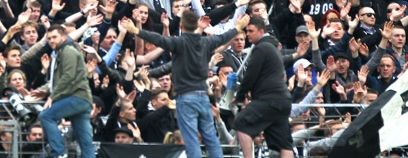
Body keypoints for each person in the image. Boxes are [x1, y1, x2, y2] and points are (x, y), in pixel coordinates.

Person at [122, 12, 250, 158]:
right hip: (203, 97)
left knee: (191, 140)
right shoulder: (205, 42)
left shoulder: (179, 42)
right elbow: (222, 38)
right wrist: (237, 27)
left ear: (181, 25)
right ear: (197, 26)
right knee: (211, 138)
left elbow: (159, 39)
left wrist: (136, 30)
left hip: (186, 98)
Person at [30, 25, 95, 158]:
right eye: (49, 38)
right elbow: (58, 80)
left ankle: (59, 154)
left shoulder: (68, 50)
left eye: (54, 37)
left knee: (45, 115)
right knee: (85, 142)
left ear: (63, 37)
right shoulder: (62, 52)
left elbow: (68, 76)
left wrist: (52, 97)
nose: (51, 41)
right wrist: (45, 91)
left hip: (77, 97)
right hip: (81, 99)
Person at [234, 17, 293, 158]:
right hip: (283, 101)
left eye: (251, 31)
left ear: (261, 31)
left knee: (240, 123)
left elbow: (250, 76)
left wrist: (240, 97)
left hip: (269, 99)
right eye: (246, 31)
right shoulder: (272, 48)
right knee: (284, 143)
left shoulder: (261, 48)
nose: (247, 34)